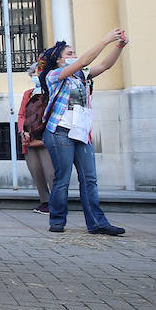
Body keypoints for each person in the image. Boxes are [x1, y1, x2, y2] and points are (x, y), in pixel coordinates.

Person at [37, 32, 128, 235]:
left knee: (90, 179)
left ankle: (97, 222)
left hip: (81, 131)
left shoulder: (80, 75)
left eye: (74, 52)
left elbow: (104, 65)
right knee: (63, 178)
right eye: (69, 53)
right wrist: (105, 40)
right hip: (60, 131)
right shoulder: (53, 75)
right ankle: (57, 220)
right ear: (58, 59)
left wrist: (119, 46)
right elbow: (84, 61)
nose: (74, 55)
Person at [17, 59, 54, 214]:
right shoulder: (28, 93)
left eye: (37, 72)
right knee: (35, 170)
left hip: (45, 137)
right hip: (29, 138)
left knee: (50, 171)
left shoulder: (51, 91)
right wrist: (22, 131)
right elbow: (21, 114)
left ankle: (56, 201)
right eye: (33, 73)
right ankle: (44, 200)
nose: (35, 75)